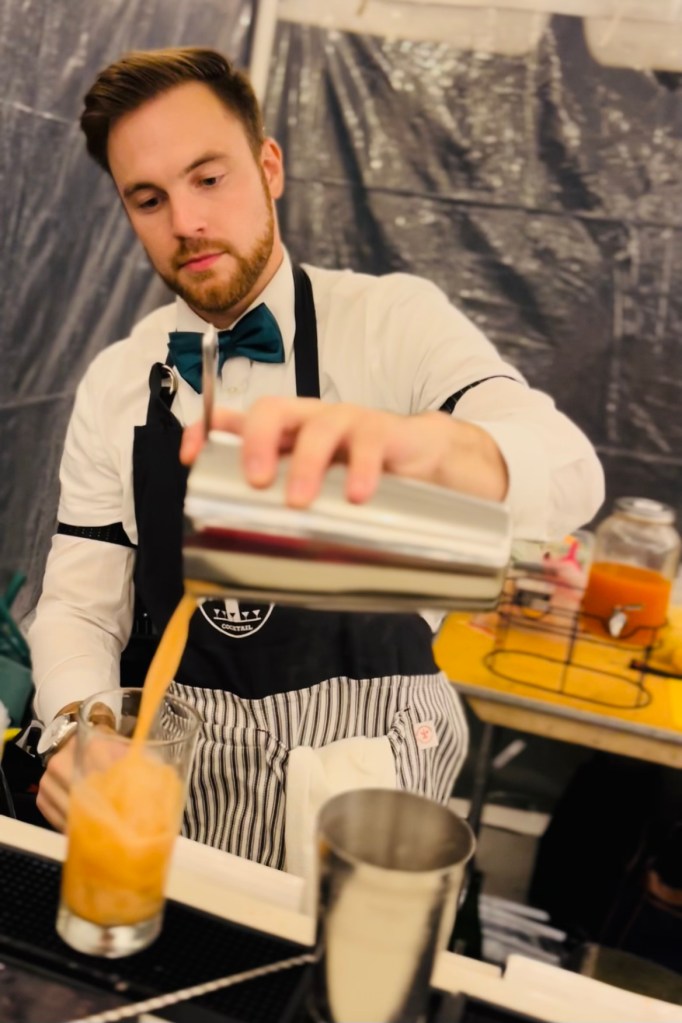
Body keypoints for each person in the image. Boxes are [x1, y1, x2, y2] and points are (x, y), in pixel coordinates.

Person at [29, 47, 604, 869]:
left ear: (269, 167)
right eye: (149, 199)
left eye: (209, 178)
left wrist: (445, 449)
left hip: (369, 791)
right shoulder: (120, 379)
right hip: (173, 796)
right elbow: (81, 606)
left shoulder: (392, 323)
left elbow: (573, 470)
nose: (185, 221)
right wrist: (80, 726)